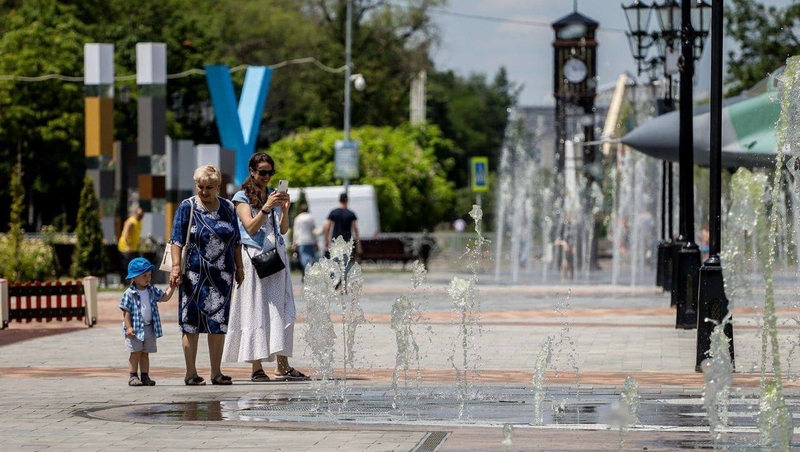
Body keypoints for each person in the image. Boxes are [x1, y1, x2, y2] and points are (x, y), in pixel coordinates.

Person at [222, 153, 309, 382]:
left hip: (277, 258)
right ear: (251, 171)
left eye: (270, 173)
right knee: (256, 309)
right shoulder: (241, 197)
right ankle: (256, 367)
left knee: (281, 310)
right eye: (262, 172)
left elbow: (283, 230)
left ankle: (282, 365)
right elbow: (250, 227)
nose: (266, 177)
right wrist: (267, 208)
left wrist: (285, 210)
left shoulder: (272, 195)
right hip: (255, 260)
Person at [169, 164, 243, 386]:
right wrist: (175, 267)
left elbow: (237, 241)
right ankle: (191, 373)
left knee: (218, 325)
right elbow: (176, 240)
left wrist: (240, 268)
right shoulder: (187, 207)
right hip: (193, 277)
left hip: (222, 277)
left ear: (218, 186)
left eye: (209, 187)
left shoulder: (228, 208)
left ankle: (216, 373)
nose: (204, 191)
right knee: (191, 324)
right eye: (200, 187)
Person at [120, 257, 175, 387]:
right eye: (144, 275)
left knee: (145, 353)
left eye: (149, 275)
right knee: (135, 352)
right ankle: (133, 376)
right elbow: (126, 313)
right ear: (134, 277)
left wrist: (172, 287)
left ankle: (145, 376)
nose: (148, 278)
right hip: (135, 329)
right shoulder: (129, 293)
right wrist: (128, 328)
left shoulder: (151, 290)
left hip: (149, 327)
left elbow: (164, 297)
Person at [324, 192, 361, 258]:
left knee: (335, 262)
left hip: (335, 241)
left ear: (339, 200)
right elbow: (355, 229)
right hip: (347, 242)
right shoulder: (351, 214)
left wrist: (326, 239)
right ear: (347, 200)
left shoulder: (333, 212)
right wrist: (358, 244)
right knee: (345, 263)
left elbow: (327, 227)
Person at [292, 203, 319, 282]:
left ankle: (305, 274)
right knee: (311, 258)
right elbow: (314, 231)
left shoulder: (298, 218)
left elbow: (296, 231)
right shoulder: (311, 218)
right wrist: (316, 242)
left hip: (301, 241)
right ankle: (309, 274)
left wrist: (294, 243)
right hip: (310, 240)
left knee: (303, 258)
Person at [118, 207, 144, 281]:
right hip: (125, 248)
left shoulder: (139, 222)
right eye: (139, 215)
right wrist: (128, 246)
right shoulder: (131, 222)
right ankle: (126, 281)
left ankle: (133, 281)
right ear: (136, 214)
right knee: (127, 265)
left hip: (134, 248)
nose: (141, 217)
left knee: (136, 264)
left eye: (142, 215)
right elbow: (125, 234)